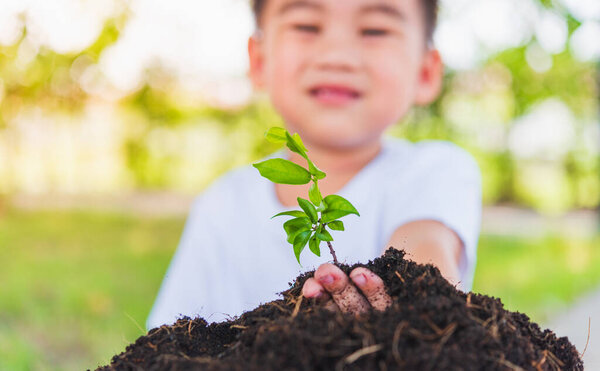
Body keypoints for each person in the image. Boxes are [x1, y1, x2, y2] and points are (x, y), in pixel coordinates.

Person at [146, 0, 481, 329]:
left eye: (375, 30)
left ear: (425, 71)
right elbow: (170, 337)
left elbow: (425, 258)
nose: (336, 56)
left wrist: (409, 311)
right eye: (306, 26)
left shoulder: (435, 171)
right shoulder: (223, 204)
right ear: (259, 60)